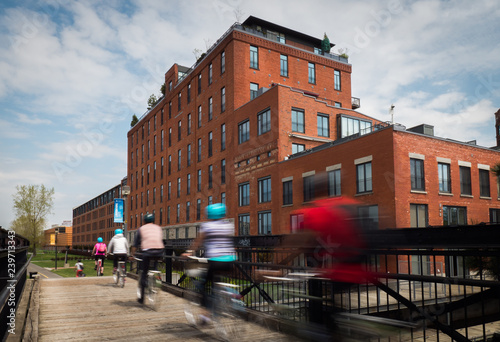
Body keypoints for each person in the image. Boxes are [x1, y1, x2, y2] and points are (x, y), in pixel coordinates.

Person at [183, 203, 237, 315]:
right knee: (215, 284)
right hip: (230, 261)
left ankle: (205, 313)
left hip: (215, 261)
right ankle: (219, 303)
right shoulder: (229, 225)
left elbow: (198, 242)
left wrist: (189, 252)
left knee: (204, 284)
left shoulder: (207, 226)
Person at [132, 213, 164, 304]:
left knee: (144, 272)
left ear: (144, 221)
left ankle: (142, 298)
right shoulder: (158, 228)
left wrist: (132, 255)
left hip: (147, 252)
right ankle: (156, 280)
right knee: (154, 267)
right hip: (159, 251)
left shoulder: (141, 229)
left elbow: (135, 244)